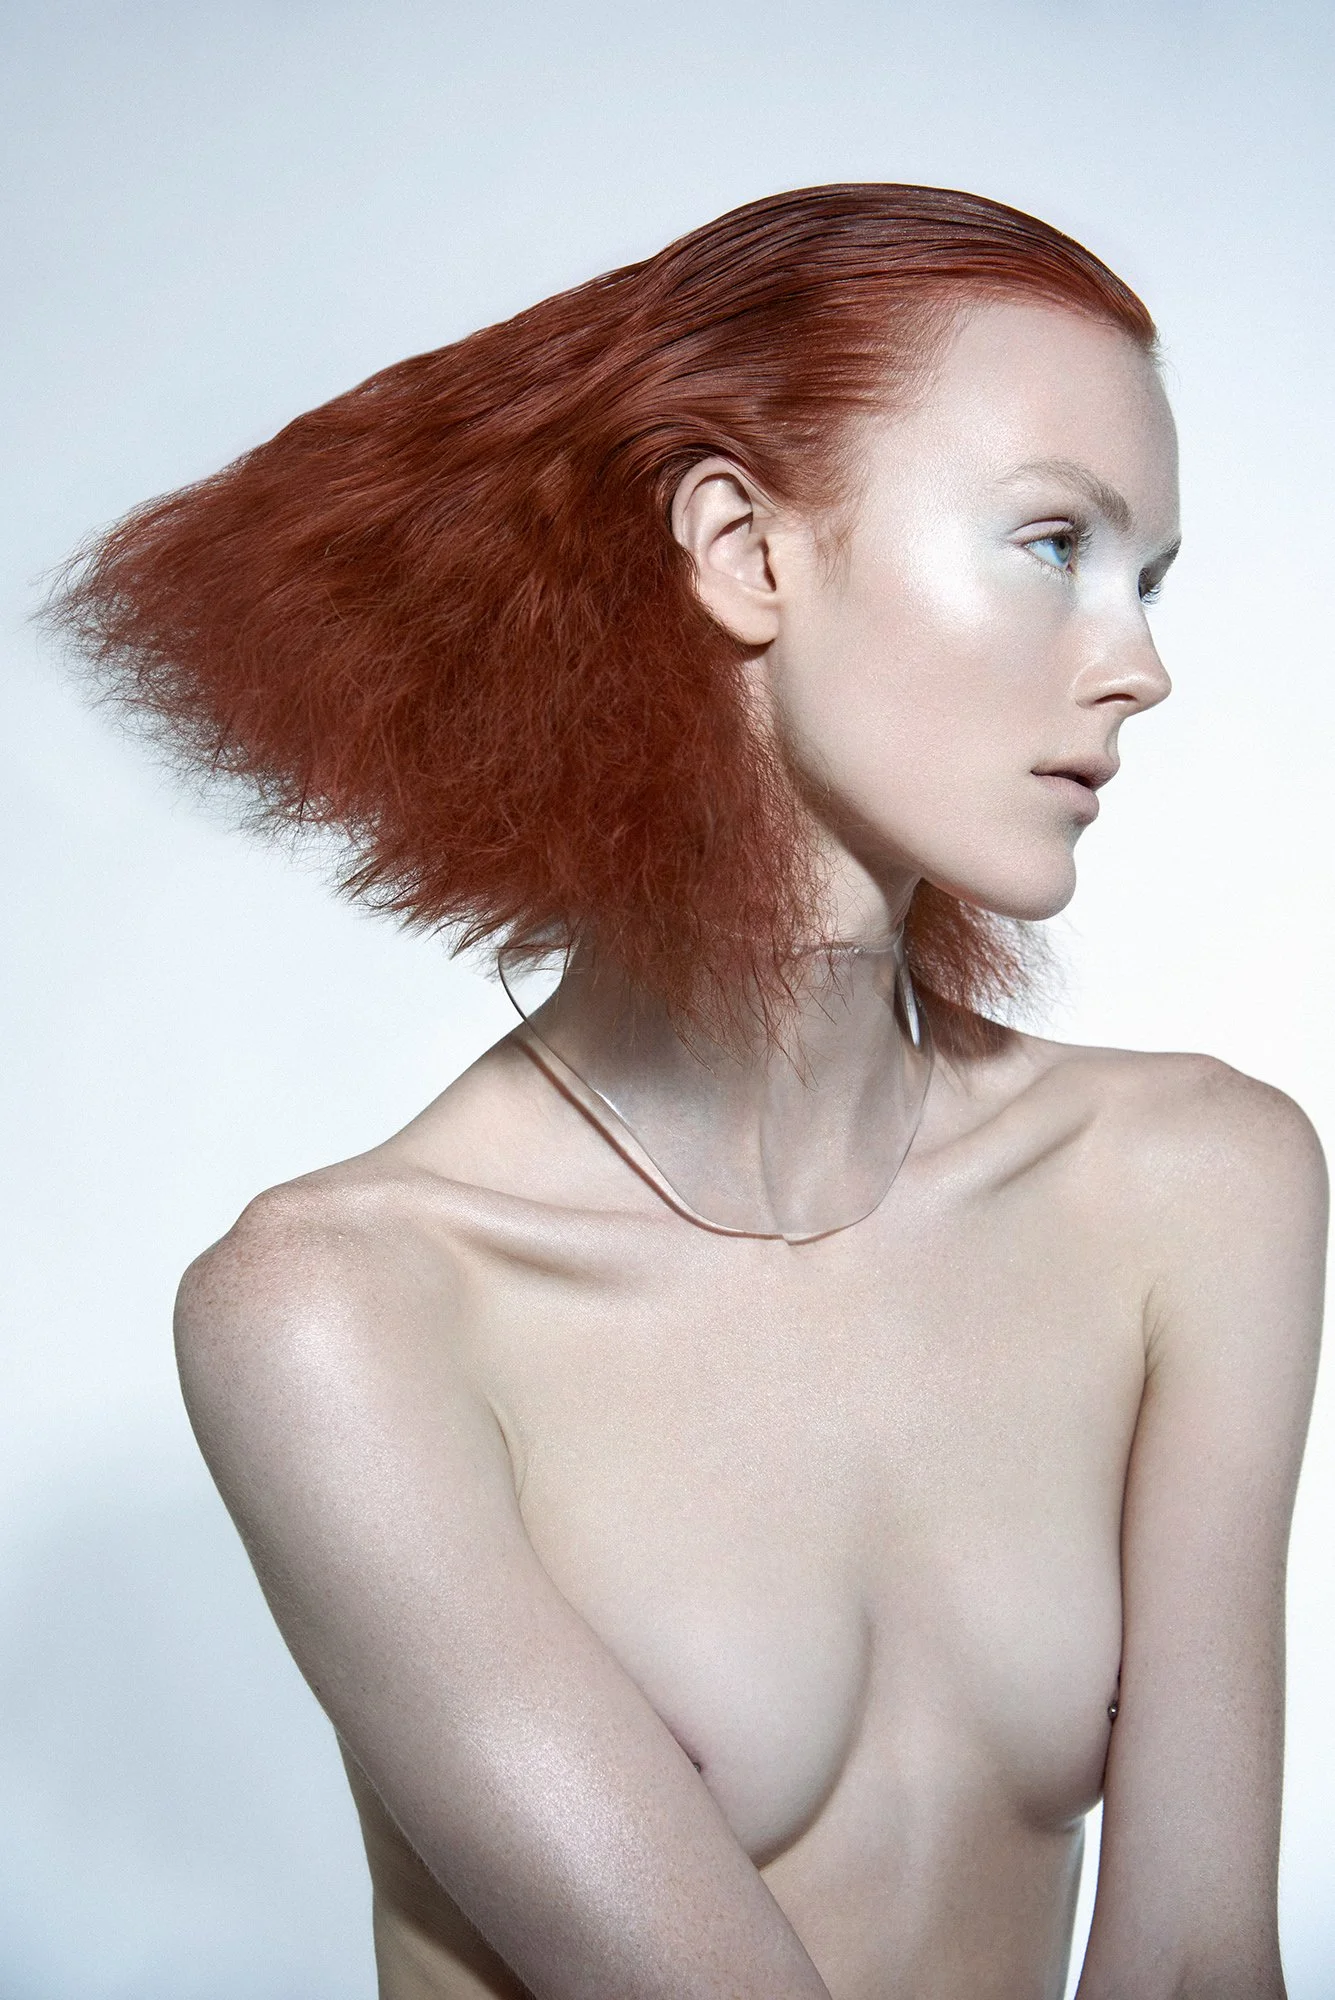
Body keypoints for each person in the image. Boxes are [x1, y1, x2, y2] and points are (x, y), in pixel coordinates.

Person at [50, 185, 1326, 2000]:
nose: (1136, 665)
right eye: (1053, 543)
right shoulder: (349, 1309)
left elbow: (1200, 1968)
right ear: (741, 551)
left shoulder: (1195, 1183)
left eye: (1150, 578)